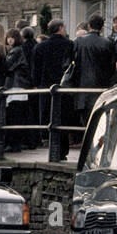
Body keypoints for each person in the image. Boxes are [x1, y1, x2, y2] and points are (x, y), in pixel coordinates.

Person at [33, 19, 77, 158]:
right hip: (64, 86)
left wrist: (37, 84)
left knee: (49, 117)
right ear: (60, 28)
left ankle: (52, 148)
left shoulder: (40, 47)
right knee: (62, 118)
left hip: (46, 87)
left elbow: (35, 70)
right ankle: (62, 150)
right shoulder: (69, 45)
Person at [73, 14, 116, 139]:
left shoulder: (78, 41)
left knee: (86, 123)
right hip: (101, 86)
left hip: (82, 87)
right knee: (100, 121)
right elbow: (111, 65)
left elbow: (72, 63)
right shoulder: (108, 43)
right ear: (102, 27)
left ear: (89, 26)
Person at [4, 28, 35, 151]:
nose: (10, 39)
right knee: (18, 115)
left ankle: (14, 144)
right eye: (8, 37)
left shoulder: (15, 51)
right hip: (18, 85)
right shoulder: (17, 50)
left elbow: (7, 66)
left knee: (14, 115)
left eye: (12, 37)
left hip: (16, 86)